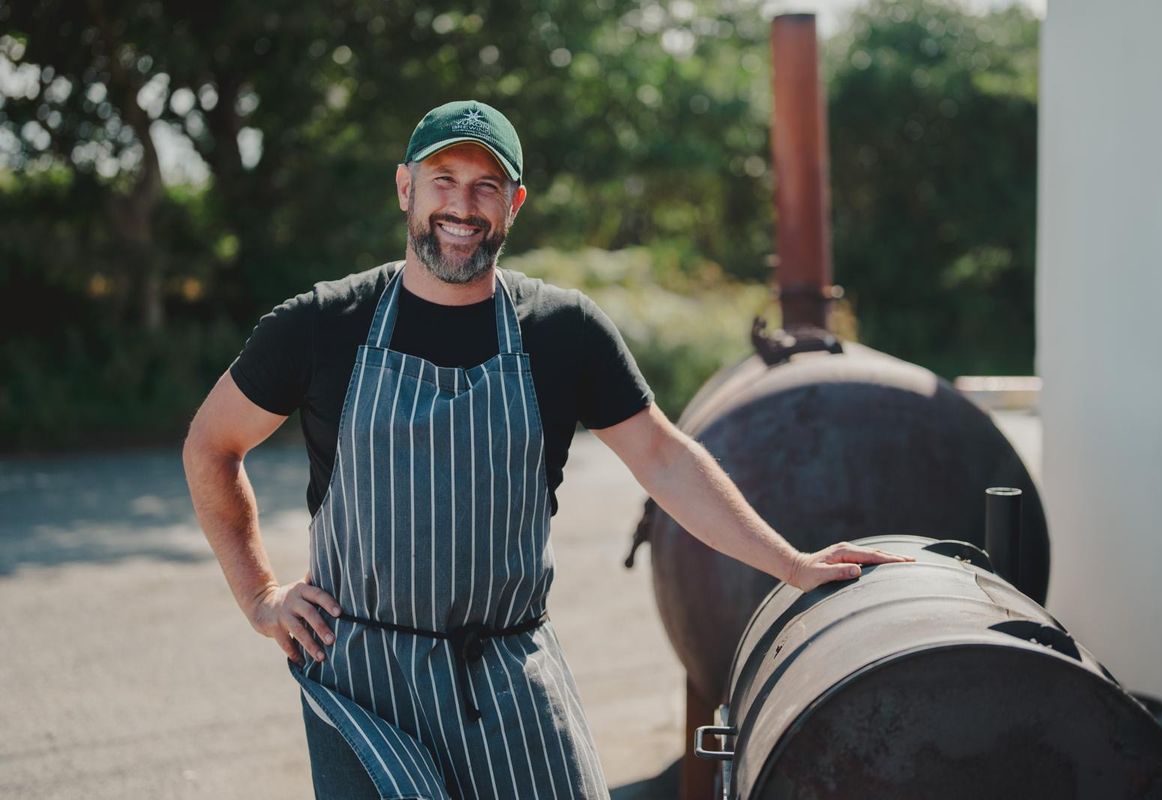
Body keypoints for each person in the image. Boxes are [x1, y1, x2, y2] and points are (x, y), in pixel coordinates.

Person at [182, 99, 913, 799]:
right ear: (405, 188)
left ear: (515, 203)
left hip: (509, 675)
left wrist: (792, 564)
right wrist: (260, 597)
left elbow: (663, 459)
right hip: (365, 684)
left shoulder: (562, 332)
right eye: (443, 180)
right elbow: (211, 445)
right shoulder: (320, 326)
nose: (461, 207)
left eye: (485, 186)